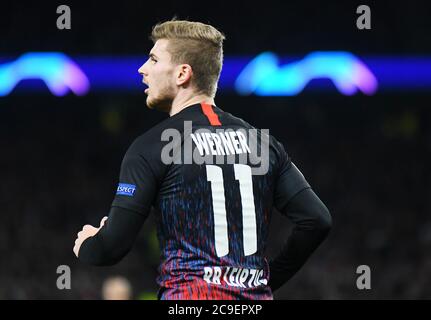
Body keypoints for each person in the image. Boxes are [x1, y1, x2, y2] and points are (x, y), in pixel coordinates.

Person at [73, 19, 332, 300]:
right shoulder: (262, 143)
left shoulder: (152, 146)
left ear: (182, 73)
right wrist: (269, 280)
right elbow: (316, 220)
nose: (143, 69)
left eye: (153, 59)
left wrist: (88, 243)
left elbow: (110, 248)